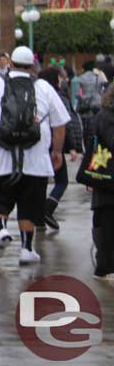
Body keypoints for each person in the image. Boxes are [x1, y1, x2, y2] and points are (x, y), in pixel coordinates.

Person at [0, 46, 70, 265]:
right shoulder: (44, 87)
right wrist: (56, 151)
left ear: (11, 63)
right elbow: (60, 123)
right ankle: (26, 248)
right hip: (35, 158)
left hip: (1, 155)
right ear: (33, 66)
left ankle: (2, 230)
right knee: (29, 204)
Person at [38, 66, 83, 232]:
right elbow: (65, 124)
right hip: (55, 143)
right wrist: (72, 146)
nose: (63, 80)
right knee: (62, 180)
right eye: (60, 77)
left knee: (41, 181)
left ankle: (39, 216)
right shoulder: (57, 97)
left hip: (39, 143)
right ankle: (48, 209)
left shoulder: (38, 94)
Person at [86, 84, 114, 279]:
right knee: (107, 222)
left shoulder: (101, 115)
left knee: (103, 219)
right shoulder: (109, 118)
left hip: (101, 175)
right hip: (109, 179)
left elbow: (90, 141)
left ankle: (104, 264)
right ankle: (105, 265)